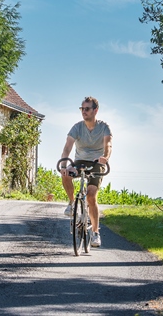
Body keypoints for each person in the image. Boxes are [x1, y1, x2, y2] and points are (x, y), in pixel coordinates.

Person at [59, 96, 112, 248]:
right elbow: (67, 147)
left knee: (90, 196)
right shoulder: (77, 127)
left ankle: (95, 233)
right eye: (82, 109)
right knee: (66, 174)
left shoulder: (104, 127)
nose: (84, 111)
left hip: (96, 163)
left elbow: (108, 145)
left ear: (95, 110)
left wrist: (105, 158)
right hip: (80, 161)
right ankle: (71, 203)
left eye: (87, 109)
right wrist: (64, 164)